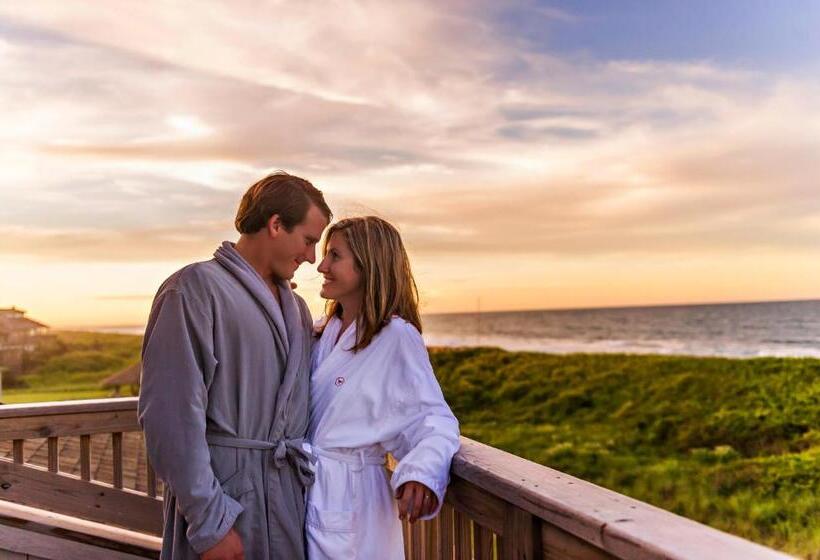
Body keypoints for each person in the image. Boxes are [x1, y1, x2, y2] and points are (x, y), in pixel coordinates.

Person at [138, 172, 331, 560]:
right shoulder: (194, 289)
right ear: (276, 224)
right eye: (309, 241)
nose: (312, 258)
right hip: (226, 503)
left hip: (287, 503)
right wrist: (210, 522)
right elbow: (170, 417)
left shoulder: (296, 309)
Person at [306, 216, 460, 559]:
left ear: (368, 265)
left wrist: (420, 472)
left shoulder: (396, 337)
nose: (321, 266)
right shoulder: (321, 332)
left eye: (334, 256)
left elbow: (433, 420)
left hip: (353, 499)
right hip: (310, 493)